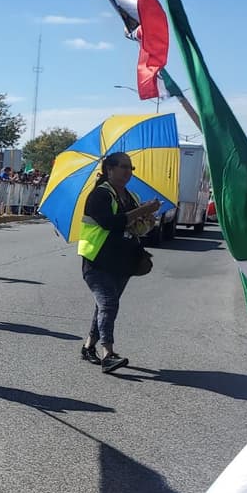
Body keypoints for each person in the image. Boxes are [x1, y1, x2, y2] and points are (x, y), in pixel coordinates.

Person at [77, 152, 161, 373]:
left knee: (104, 307)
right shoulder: (99, 195)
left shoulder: (130, 196)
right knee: (108, 304)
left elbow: (135, 227)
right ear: (109, 169)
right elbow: (109, 223)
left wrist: (147, 220)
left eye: (130, 168)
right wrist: (142, 210)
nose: (127, 172)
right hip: (97, 261)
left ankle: (88, 347)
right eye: (123, 167)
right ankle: (108, 355)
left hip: (123, 261)